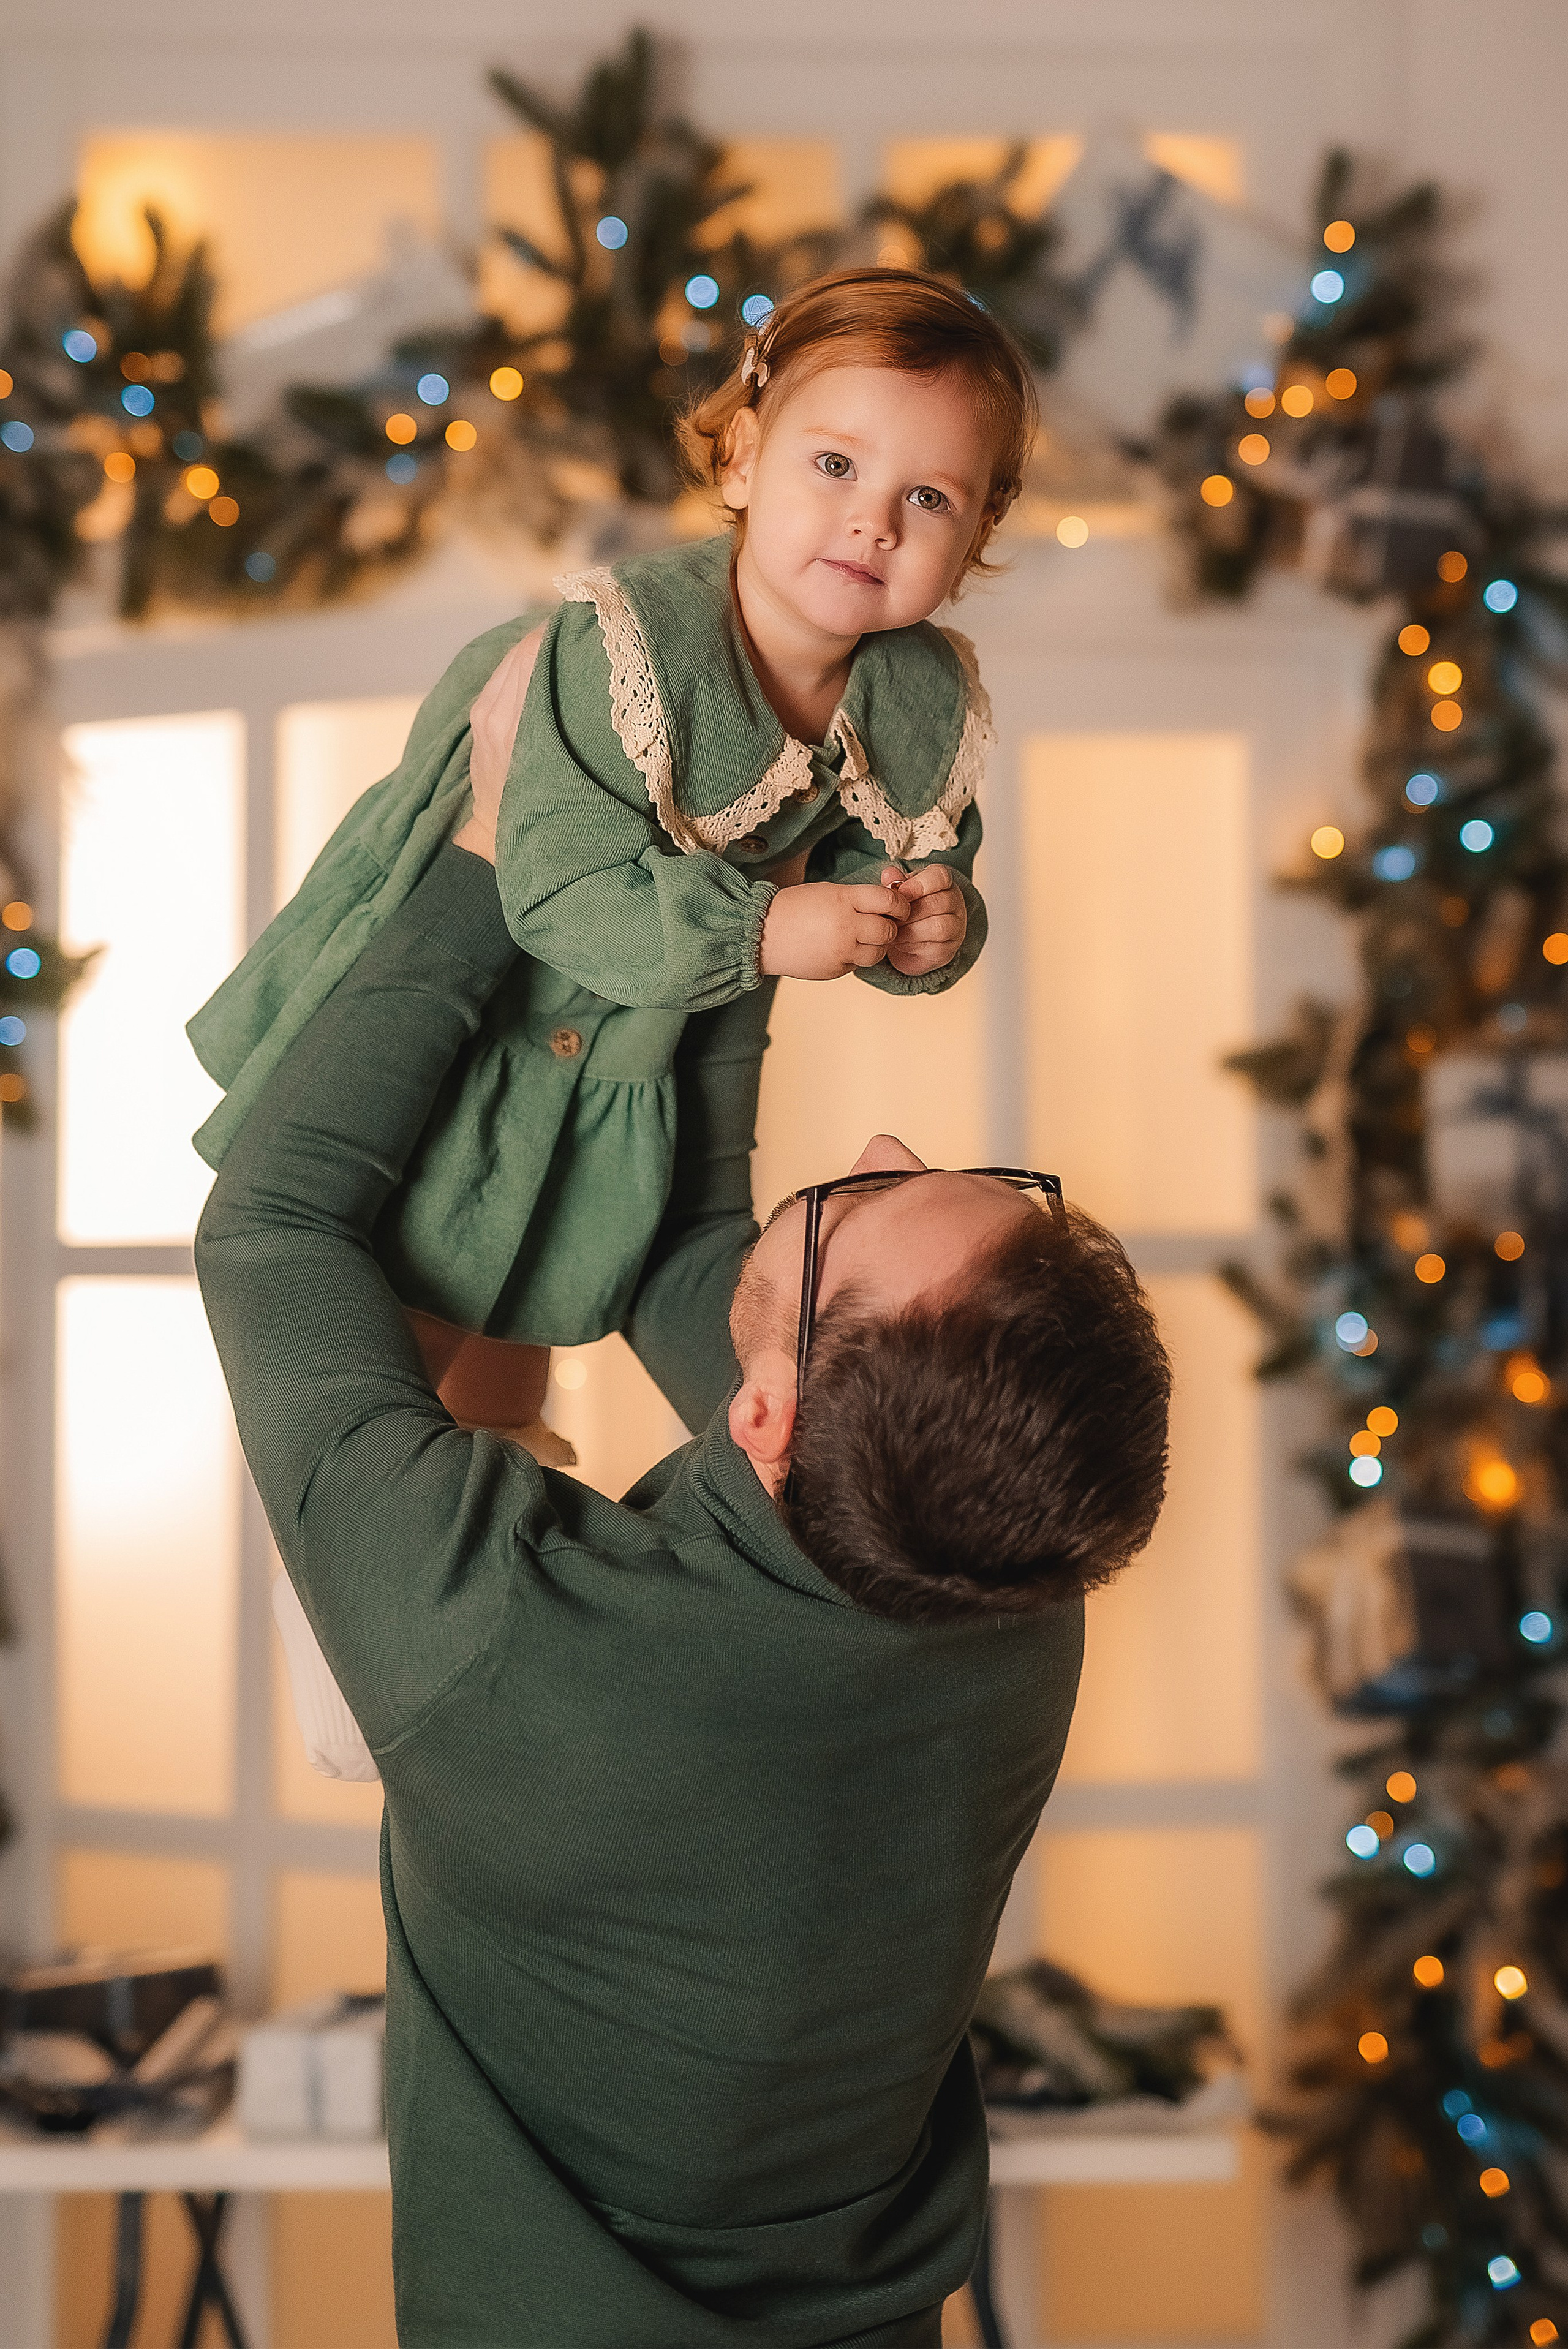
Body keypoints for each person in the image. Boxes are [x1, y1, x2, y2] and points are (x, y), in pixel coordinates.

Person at [194, 774, 1171, 2344]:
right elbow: (681, 1237)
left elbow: (274, 1227)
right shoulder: (1000, 1589)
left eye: (862, 1200)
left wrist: (484, 847)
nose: (876, 1136)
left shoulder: (521, 1639)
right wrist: (741, 891)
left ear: (768, 1413)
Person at [187, 265, 1036, 1457]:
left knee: (528, 1286)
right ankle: (363, 1527)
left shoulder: (909, 690)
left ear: (974, 535)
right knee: (419, 1298)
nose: (872, 521)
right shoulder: (626, 652)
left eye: (930, 497)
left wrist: (926, 924)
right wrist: (761, 930)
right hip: (477, 1011)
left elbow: (901, 849)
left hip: (627, 1049)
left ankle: (513, 1484)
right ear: (742, 458)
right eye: (834, 465)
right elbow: (549, 889)